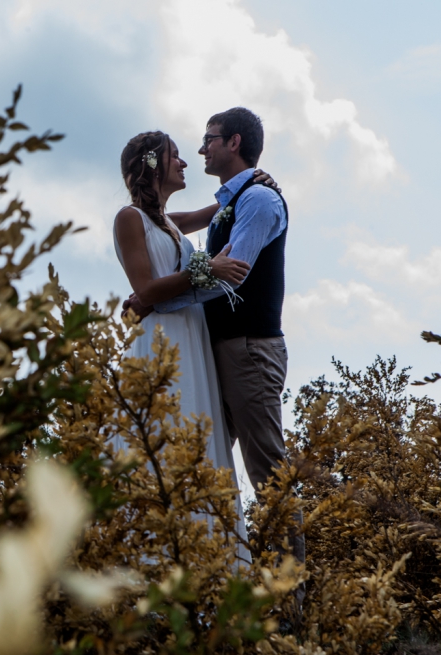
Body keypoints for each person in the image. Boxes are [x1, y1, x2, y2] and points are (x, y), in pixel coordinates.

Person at [125, 108, 304, 570]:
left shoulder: (255, 201)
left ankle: (291, 604)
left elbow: (234, 274)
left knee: (266, 474)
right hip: (202, 349)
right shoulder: (206, 208)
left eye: (208, 140)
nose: (198, 152)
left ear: (235, 143)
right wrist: (156, 291)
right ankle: (196, 568)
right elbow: (172, 233)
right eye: (180, 154)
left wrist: (153, 297)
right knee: (200, 458)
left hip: (244, 348)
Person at [113, 130, 252, 559]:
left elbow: (214, 211)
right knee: (166, 433)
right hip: (160, 341)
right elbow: (147, 289)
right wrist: (206, 270)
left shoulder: (170, 223)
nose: (185, 163)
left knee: (196, 432)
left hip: (191, 336)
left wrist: (250, 184)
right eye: (176, 156)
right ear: (153, 164)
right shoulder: (129, 218)